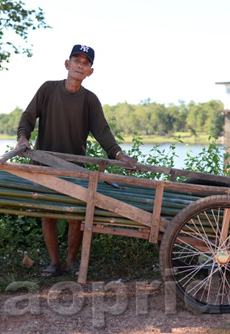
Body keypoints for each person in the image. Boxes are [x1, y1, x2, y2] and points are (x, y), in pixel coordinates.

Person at [16, 44, 137, 278]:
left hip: (74, 168)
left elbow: (103, 132)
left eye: (85, 63)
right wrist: (23, 138)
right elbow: (28, 116)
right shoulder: (48, 90)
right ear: (67, 64)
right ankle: (54, 263)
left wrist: (119, 154)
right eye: (76, 61)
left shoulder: (90, 100)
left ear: (90, 71)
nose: (80, 66)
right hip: (44, 164)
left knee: (75, 217)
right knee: (48, 215)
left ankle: (72, 263)